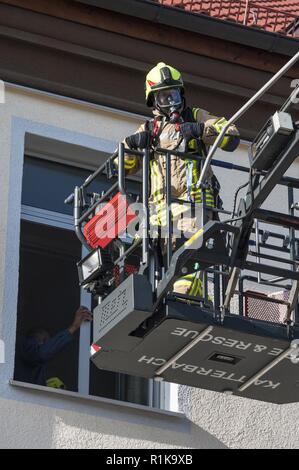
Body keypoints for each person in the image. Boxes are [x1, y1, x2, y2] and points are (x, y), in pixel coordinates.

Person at [121, 62, 240, 298]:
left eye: (173, 94)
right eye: (163, 97)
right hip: (158, 215)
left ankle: (184, 303)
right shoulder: (148, 129)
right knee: (142, 260)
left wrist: (199, 129)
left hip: (193, 208)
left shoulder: (195, 116)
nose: (170, 102)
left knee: (185, 271)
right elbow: (117, 169)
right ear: (153, 101)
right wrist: (131, 145)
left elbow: (232, 136)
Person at [15, 306, 92, 387]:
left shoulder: (34, 368)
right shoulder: (24, 344)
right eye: (46, 341)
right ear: (41, 340)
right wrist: (74, 327)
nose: (49, 346)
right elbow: (42, 353)